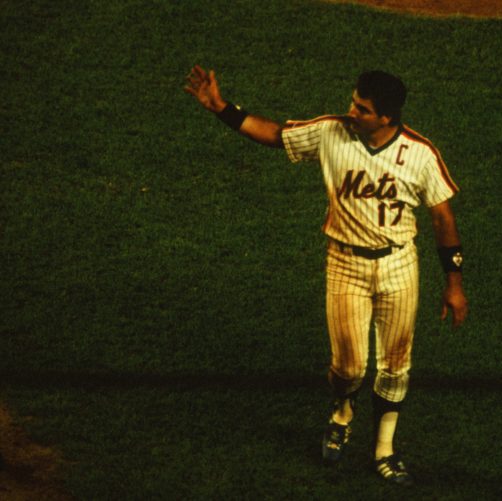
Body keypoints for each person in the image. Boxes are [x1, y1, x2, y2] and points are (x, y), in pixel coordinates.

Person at [184, 65, 468, 486]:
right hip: (345, 264)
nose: (352, 110)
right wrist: (221, 108)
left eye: (363, 109)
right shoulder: (331, 131)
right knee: (349, 368)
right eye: (354, 102)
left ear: (387, 117)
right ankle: (342, 411)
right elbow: (276, 134)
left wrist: (453, 284)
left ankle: (384, 451)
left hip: (399, 265)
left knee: (394, 366)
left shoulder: (420, 154)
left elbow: (443, 218)